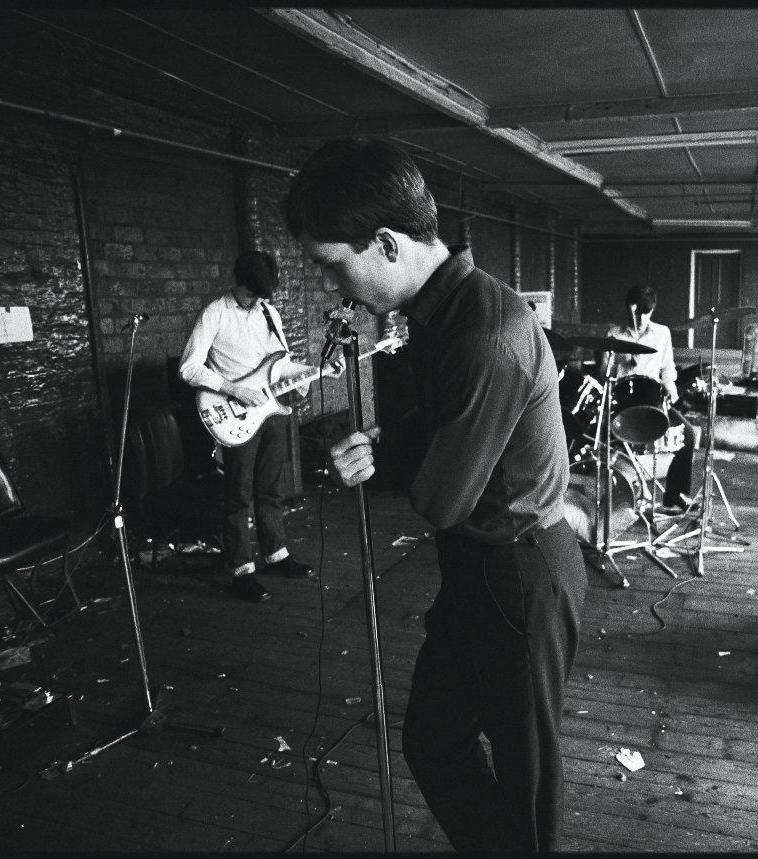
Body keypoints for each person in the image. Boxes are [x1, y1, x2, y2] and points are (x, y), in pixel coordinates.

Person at [287, 138, 586, 852]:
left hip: (519, 575)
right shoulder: (442, 313)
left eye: (335, 265)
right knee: (433, 738)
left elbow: (441, 501)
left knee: (528, 780)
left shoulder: (482, 333)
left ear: (386, 244)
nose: (336, 287)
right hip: (479, 569)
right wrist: (385, 444)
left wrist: (401, 461)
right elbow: (440, 426)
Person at [179, 250, 317, 603]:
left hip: (269, 411)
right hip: (235, 412)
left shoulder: (268, 313)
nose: (257, 301)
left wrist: (305, 373)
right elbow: (188, 368)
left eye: (262, 295)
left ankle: (276, 555)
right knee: (238, 493)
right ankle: (241, 570)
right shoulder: (214, 313)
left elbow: (278, 363)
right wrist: (233, 389)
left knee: (270, 487)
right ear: (238, 282)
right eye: (252, 294)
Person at [605, 285, 697, 513]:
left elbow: (667, 368)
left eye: (644, 314)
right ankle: (613, 500)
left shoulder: (662, 333)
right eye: (635, 313)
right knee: (601, 441)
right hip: (624, 402)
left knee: (688, 434)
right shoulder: (614, 334)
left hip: (652, 400)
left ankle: (675, 495)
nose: (640, 318)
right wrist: (620, 363)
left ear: (652, 310)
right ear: (628, 309)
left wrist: (671, 389)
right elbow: (603, 374)